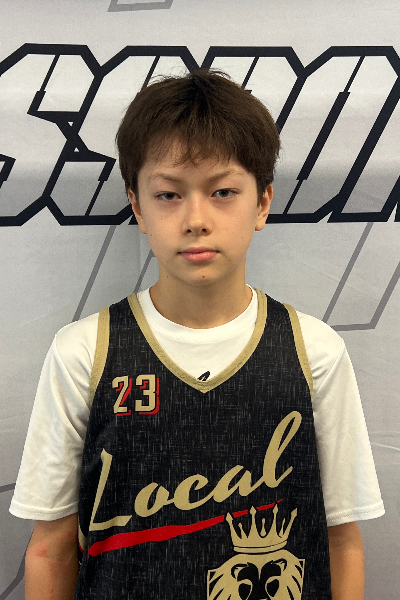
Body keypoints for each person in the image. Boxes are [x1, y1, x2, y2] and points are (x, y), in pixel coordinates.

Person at [10, 70, 384, 600]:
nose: (196, 219)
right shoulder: (84, 353)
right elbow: (50, 549)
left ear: (262, 203)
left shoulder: (313, 351)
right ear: (137, 206)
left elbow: (341, 540)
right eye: (168, 194)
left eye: (223, 191)